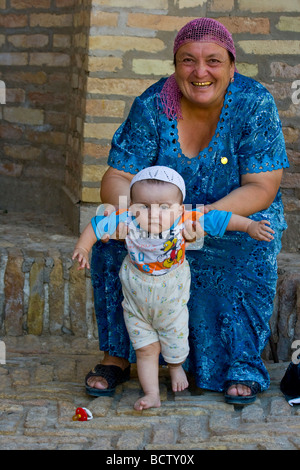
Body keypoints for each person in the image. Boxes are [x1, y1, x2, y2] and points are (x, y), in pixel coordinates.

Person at [85, 17, 289, 405]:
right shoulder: (152, 105)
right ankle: (118, 356)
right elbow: (117, 176)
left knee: (247, 249)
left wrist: (200, 218)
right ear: (175, 65)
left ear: (232, 65)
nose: (200, 72)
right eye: (187, 61)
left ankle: (237, 365)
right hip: (159, 221)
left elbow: (262, 187)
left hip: (228, 217)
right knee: (112, 244)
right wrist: (132, 214)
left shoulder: (253, 103)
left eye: (213, 61)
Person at [73, 166, 275, 410]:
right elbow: (97, 226)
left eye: (164, 207)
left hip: (171, 299)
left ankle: (176, 366)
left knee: (175, 340)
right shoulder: (126, 219)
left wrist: (249, 227)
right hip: (137, 303)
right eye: (144, 206)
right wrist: (84, 248)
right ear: (132, 205)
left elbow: (220, 218)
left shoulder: (184, 219)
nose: (154, 214)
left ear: (180, 208)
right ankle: (152, 394)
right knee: (145, 349)